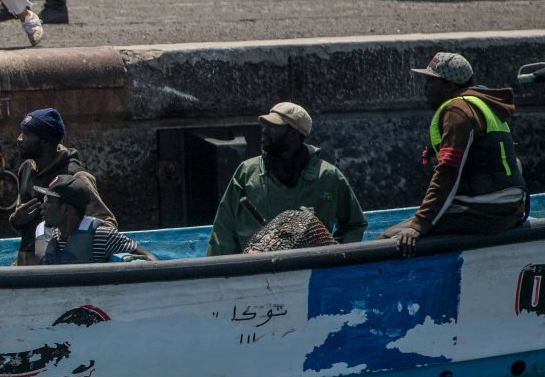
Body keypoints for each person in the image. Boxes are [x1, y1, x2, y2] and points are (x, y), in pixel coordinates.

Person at [381, 52, 528, 256]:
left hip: (485, 211)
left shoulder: (457, 112)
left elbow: (449, 171)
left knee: (389, 239)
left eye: (431, 82)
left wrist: (419, 225)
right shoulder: (484, 106)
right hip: (512, 209)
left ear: (449, 86)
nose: (425, 88)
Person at [207, 102, 367, 255]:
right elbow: (223, 230)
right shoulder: (247, 172)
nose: (264, 130)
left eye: (273, 126)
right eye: (265, 125)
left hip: (312, 267)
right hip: (255, 269)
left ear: (293, 133)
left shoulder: (328, 176)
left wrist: (334, 256)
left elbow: (354, 224)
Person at [5, 107, 114, 265]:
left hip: (58, 273)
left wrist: (65, 232)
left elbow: (107, 224)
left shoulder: (76, 178)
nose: (19, 139)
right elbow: (26, 228)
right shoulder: (26, 169)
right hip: (25, 266)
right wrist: (16, 219)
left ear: (45, 140)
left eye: (26, 134)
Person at [31, 175, 155, 265]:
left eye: (50, 202)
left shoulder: (101, 236)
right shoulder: (47, 235)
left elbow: (148, 256)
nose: (43, 206)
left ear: (67, 209)